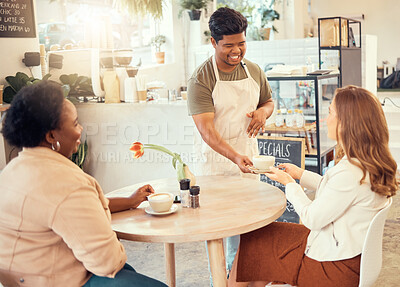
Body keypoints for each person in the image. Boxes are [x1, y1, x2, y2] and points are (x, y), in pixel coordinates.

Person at [228, 85, 398, 287]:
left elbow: (311, 219)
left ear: (346, 123)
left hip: (333, 269)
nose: (326, 120)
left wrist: (289, 183)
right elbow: (337, 193)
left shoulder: (349, 172)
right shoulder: (367, 163)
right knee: (259, 241)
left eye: (330, 113)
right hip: (346, 254)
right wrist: (299, 174)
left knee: (256, 240)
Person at [0, 81, 167, 287]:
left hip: (22, 279)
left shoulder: (12, 171)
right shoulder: (66, 183)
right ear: (52, 136)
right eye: (75, 123)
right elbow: (108, 263)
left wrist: (129, 201)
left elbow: (69, 209)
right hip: (60, 281)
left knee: (128, 272)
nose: (81, 131)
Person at [187, 6, 274, 273]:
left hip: (247, 159)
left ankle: (242, 276)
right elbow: (207, 131)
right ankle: (222, 278)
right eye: (228, 45)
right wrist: (234, 156)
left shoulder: (254, 71)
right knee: (219, 232)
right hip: (216, 164)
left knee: (249, 229)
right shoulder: (201, 79)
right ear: (213, 42)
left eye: (242, 43)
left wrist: (262, 112)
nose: (237, 51)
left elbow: (269, 102)